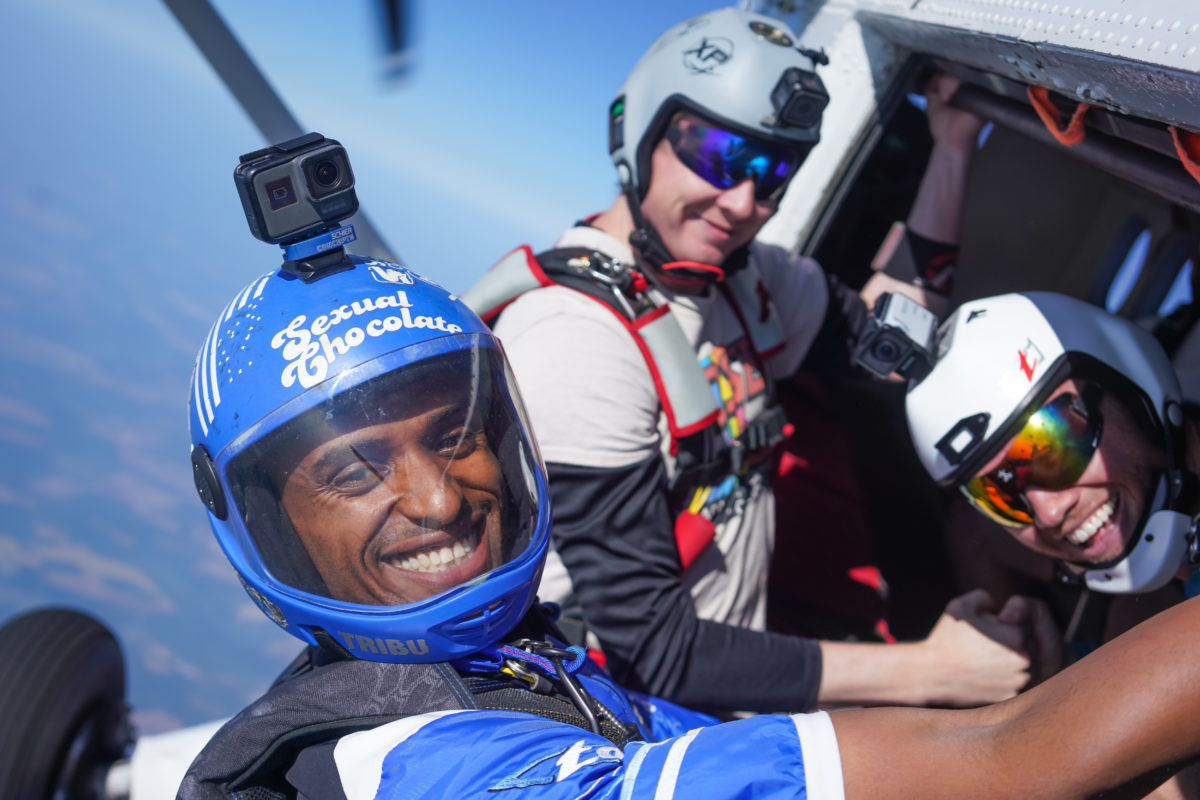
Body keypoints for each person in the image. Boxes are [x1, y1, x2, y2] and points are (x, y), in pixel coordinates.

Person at [181, 257, 1200, 799]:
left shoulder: (512, 670)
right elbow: (1014, 760)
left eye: (455, 434)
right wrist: (947, 684)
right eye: (355, 469)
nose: (438, 497)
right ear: (268, 517)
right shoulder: (425, 765)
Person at [466, 6, 1035, 713]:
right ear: (639, 131)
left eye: (772, 172)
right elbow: (656, 653)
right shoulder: (574, 338)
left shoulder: (745, 283)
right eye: (717, 154)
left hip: (727, 693)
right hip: (625, 718)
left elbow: (891, 339)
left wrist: (952, 145)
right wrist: (931, 672)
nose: (741, 201)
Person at [905, 289, 1200, 798]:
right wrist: (1060, 681)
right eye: (999, 495)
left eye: (1052, 446)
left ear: (1129, 385)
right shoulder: (1144, 605)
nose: (1047, 511)